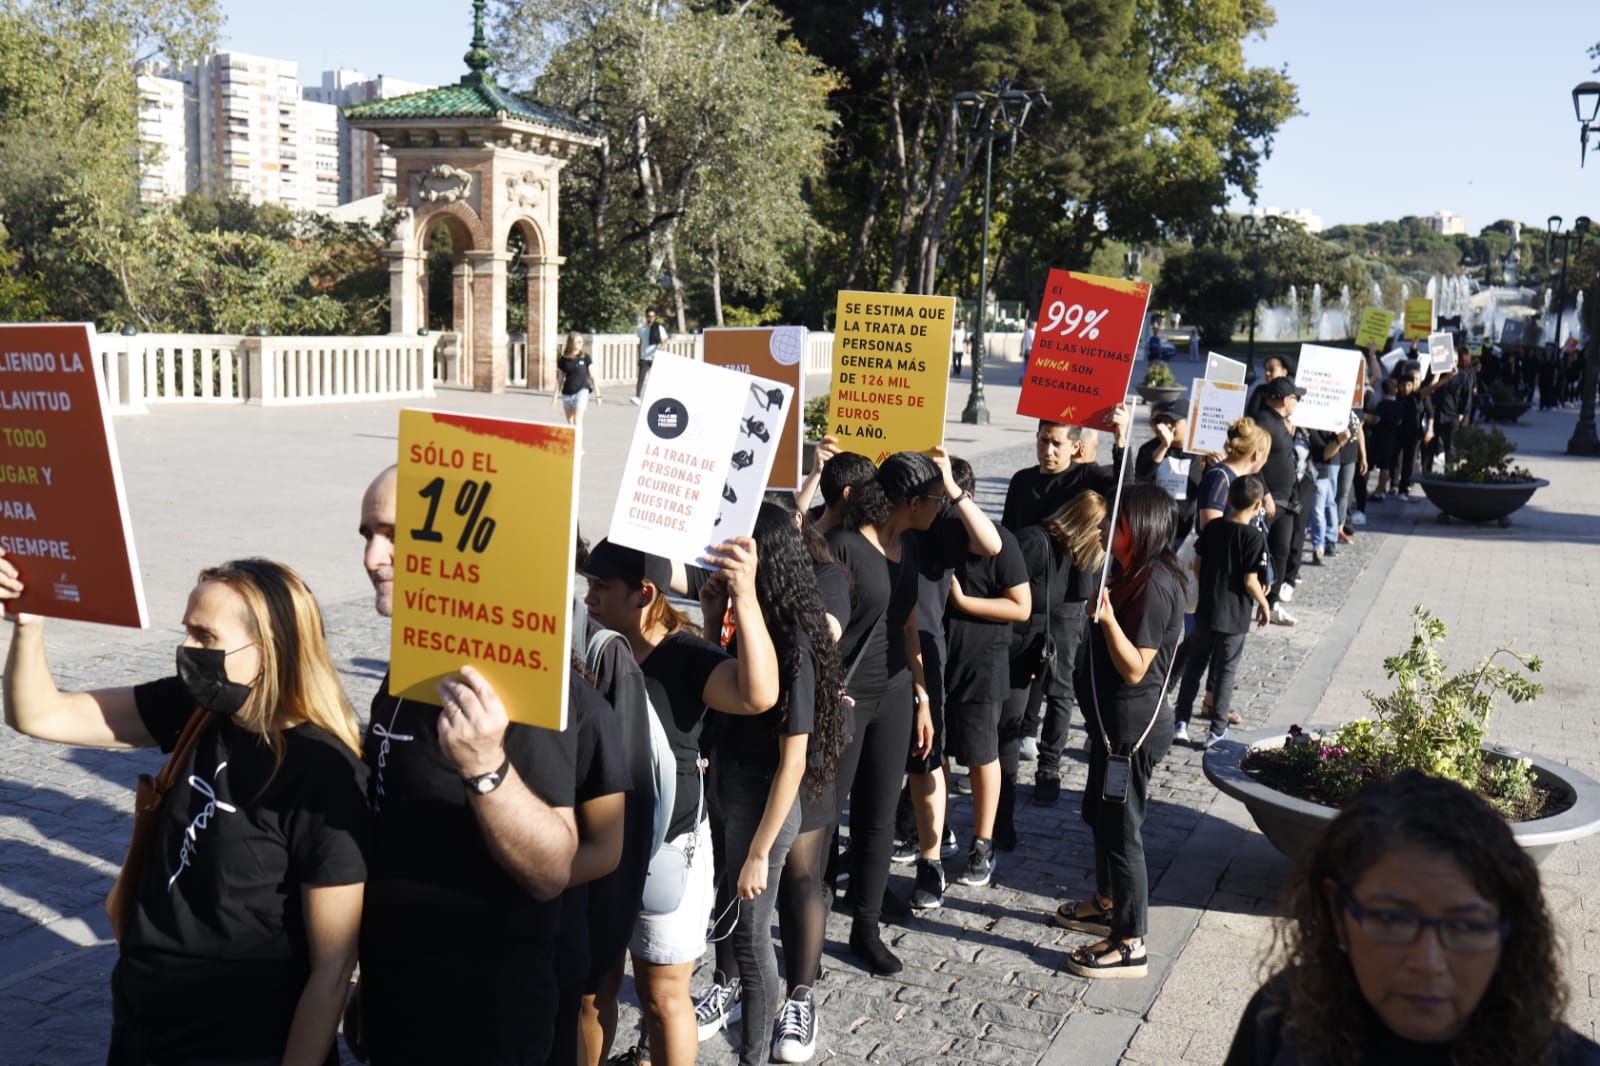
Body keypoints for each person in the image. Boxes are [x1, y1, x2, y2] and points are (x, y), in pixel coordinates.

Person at [2, 554, 368, 1066]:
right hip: (144, 1026)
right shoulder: (195, 710)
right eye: (186, 632)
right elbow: (40, 714)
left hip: (238, 1042)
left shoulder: (324, 775)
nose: (186, 650)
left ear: (270, 649)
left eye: (205, 637)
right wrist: (28, 624)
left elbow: (332, 968)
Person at [353, 467, 590, 1066]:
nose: (373, 557)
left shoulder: (514, 681)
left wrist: (486, 767)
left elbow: (552, 869)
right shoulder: (409, 665)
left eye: (394, 535)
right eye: (366, 536)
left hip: (482, 1025)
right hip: (396, 1004)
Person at [1225, 771, 1600, 1066]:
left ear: (1509, 928)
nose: (1427, 963)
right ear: (1338, 912)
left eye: (1466, 926)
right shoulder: (1281, 1019)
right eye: (1390, 920)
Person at [581, 535, 779, 1066]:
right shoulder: (589, 647)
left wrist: (745, 595)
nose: (588, 599)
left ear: (644, 593)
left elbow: (756, 694)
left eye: (602, 588)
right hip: (592, 841)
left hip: (667, 846)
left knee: (663, 997)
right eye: (587, 586)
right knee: (589, 991)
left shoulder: (686, 655)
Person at [692, 503, 846, 1066]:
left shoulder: (796, 643)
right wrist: (715, 618)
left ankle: (753, 1056)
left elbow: (794, 763)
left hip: (764, 802)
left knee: (753, 944)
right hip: (730, 784)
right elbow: (724, 693)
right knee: (732, 926)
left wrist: (760, 852)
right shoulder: (754, 627)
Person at [1054, 483, 1185, 980]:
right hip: (1109, 727)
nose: (1108, 528)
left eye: (1119, 522)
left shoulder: (1155, 585)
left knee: (1121, 832)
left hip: (1132, 733)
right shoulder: (1130, 569)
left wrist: (1106, 621)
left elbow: (1135, 668)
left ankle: (1131, 941)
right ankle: (1107, 901)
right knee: (1098, 815)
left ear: (1143, 528)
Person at [825, 452, 941, 976]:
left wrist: (922, 697)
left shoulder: (910, 546)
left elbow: (908, 627)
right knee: (824, 819)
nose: (941, 509)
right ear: (911, 503)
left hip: (894, 694)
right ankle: (808, 922)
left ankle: (865, 928)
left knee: (876, 820)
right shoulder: (845, 546)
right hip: (846, 696)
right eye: (936, 500)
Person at [892, 449, 1002, 913]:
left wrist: (952, 490)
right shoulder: (879, 526)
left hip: (922, 660)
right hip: (870, 660)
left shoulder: (935, 531)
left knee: (924, 761)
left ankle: (930, 860)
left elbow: (991, 544)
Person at [942, 459, 1030, 886]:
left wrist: (965, 603)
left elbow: (1021, 607)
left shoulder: (1001, 541)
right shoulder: (932, 535)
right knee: (930, 753)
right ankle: (936, 829)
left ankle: (983, 841)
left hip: (981, 667)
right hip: (936, 662)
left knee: (981, 755)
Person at [1003, 491, 1107, 843]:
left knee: (1060, 692)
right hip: (1031, 625)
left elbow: (1084, 594)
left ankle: (1048, 767)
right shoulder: (1037, 540)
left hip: (1065, 620)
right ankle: (1021, 755)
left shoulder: (1088, 548)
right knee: (1033, 690)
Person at [1171, 475, 1270, 748]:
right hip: (1235, 616)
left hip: (1206, 609)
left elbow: (1198, 565)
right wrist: (1263, 604)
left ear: (1227, 499)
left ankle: (1181, 722)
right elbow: (1251, 581)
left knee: (1195, 667)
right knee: (1225, 672)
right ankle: (1216, 730)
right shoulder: (1254, 537)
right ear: (1258, 504)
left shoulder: (1213, 528)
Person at [1251, 377, 1306, 626]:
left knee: (1281, 551)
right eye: (1296, 398)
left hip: (1286, 501)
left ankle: (1272, 603)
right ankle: (1253, 600)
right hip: (1270, 501)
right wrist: (1265, 494)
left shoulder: (1278, 422)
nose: (1298, 402)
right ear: (1285, 400)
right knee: (1259, 553)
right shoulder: (1263, 422)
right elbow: (1253, 462)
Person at [1135, 404, 1205, 546]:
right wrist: (1164, 446)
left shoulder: (1201, 452)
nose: (1169, 426)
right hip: (1156, 529)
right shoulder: (1150, 448)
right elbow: (1142, 477)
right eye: (1164, 421)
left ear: (1189, 423)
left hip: (1186, 531)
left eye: (1174, 422)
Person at [557, 330, 596, 427]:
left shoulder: (586, 357)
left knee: (578, 420)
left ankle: (578, 441)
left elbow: (593, 376)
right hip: (567, 393)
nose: (581, 344)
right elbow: (560, 379)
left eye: (581, 342)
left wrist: (598, 395)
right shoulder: (563, 359)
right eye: (578, 342)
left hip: (582, 390)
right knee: (570, 424)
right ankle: (573, 441)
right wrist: (554, 398)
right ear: (571, 343)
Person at [633, 308, 667, 404]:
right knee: (641, 378)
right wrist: (638, 357)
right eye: (649, 316)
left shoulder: (659, 328)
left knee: (657, 379)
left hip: (655, 358)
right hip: (644, 357)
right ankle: (637, 397)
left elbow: (664, 342)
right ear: (646, 316)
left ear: (655, 317)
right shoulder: (642, 329)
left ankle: (659, 399)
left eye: (652, 316)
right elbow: (640, 343)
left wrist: (660, 351)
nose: (650, 318)